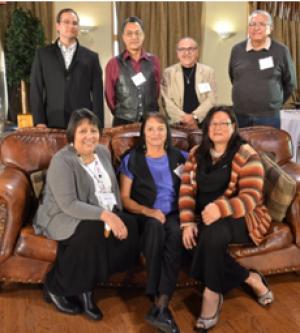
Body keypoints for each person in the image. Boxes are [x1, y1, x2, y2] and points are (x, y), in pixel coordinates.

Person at [33, 108, 138, 320]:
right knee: (93, 232)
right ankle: (62, 288)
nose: (89, 136)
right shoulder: (62, 160)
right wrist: (106, 216)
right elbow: (69, 204)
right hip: (61, 214)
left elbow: (113, 189)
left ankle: (84, 282)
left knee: (132, 226)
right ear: (72, 134)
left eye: (93, 130)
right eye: (82, 131)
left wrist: (117, 212)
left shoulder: (103, 152)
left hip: (98, 211)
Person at [179, 106, 274, 331]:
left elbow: (251, 197)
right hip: (204, 217)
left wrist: (220, 209)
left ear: (234, 127)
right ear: (206, 128)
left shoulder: (246, 154)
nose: (218, 128)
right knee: (187, 239)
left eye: (224, 123)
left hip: (242, 216)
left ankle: (212, 293)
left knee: (212, 233)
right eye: (213, 123)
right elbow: (186, 191)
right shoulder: (195, 154)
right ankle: (250, 278)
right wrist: (187, 222)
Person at [119, 113, 187, 333]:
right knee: (155, 228)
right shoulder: (133, 158)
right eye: (151, 129)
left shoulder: (180, 157)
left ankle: (160, 304)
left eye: (161, 128)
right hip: (145, 216)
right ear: (143, 133)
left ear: (167, 132)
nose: (156, 133)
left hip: (174, 214)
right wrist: (148, 211)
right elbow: (125, 198)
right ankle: (159, 302)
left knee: (176, 232)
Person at [30, 8, 104, 129]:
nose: (71, 26)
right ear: (58, 26)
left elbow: (97, 94)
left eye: (75, 23)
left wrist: (98, 124)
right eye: (66, 22)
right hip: (51, 122)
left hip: (83, 123)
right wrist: (39, 121)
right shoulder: (43, 54)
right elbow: (36, 89)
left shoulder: (91, 57)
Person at [229, 10, 296, 129]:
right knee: (240, 147)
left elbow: (290, 83)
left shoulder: (281, 51)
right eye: (252, 24)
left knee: (267, 148)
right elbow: (233, 77)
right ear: (248, 28)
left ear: (270, 28)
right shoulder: (237, 50)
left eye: (261, 24)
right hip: (240, 115)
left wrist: (275, 103)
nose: (256, 28)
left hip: (269, 116)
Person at [105, 16, 160, 127]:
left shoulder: (154, 61)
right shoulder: (113, 63)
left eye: (137, 33)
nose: (134, 37)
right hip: (122, 122)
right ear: (123, 37)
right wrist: (123, 113)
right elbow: (109, 96)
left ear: (143, 36)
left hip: (150, 122)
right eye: (129, 33)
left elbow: (156, 90)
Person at [161, 37, 216, 128]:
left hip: (201, 123)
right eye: (182, 49)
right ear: (177, 54)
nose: (187, 53)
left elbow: (211, 99)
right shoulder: (168, 73)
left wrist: (194, 117)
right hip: (176, 123)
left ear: (197, 52)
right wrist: (183, 118)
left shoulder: (208, 72)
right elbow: (166, 101)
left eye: (191, 49)